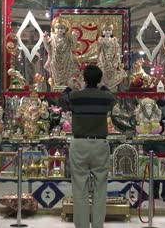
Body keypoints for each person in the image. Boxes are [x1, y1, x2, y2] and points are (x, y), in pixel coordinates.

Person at [58, 65, 116, 228]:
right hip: (99, 144)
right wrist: (103, 85)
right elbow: (114, 100)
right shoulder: (104, 97)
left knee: (79, 189)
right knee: (100, 189)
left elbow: (61, 101)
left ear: (84, 78)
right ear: (98, 79)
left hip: (80, 143)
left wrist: (69, 86)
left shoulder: (75, 96)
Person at [143, 99, 165, 201]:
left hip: (159, 141)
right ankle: (162, 194)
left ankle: (161, 193)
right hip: (157, 141)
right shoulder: (163, 104)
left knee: (160, 167)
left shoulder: (158, 105)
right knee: (158, 167)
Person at [43, 16, 79, 87]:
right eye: (57, 28)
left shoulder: (68, 39)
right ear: (54, 29)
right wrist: (45, 40)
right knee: (56, 82)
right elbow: (49, 50)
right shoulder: (52, 39)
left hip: (66, 62)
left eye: (62, 28)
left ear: (65, 29)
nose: (59, 30)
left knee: (68, 81)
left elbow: (73, 47)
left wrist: (74, 38)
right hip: (55, 62)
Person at [96, 21, 127, 90]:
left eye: (109, 30)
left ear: (112, 31)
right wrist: (102, 60)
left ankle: (112, 89)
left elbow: (118, 50)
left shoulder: (114, 39)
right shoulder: (101, 39)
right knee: (102, 74)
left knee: (115, 74)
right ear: (103, 31)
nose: (107, 32)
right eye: (106, 30)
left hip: (113, 61)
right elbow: (99, 50)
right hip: (104, 61)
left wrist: (116, 60)